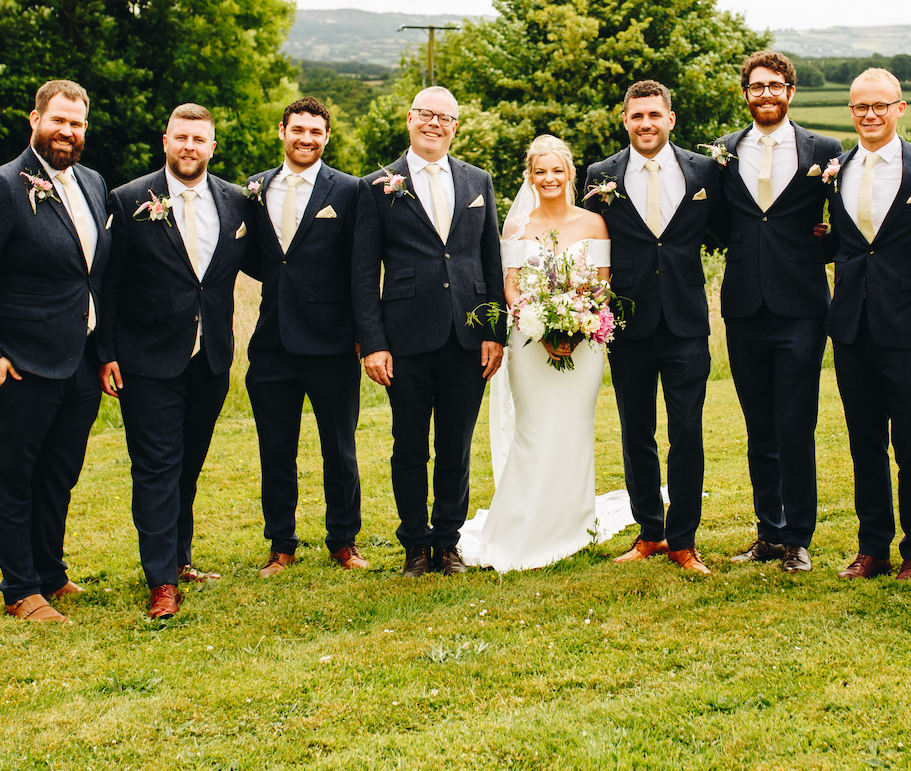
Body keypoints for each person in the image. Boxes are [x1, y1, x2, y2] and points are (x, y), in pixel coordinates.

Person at [0, 79, 111, 623]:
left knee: (59, 475)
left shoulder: (91, 182)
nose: (68, 131)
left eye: (78, 123)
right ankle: (20, 588)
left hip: (78, 361)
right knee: (14, 477)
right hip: (18, 364)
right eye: (59, 120)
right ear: (34, 120)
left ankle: (51, 572)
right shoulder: (1, 187)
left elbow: (92, 274)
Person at [97, 104, 255, 620]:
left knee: (188, 465)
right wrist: (106, 353)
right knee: (156, 469)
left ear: (213, 147)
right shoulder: (128, 200)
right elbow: (110, 282)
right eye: (181, 137)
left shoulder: (236, 202)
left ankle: (180, 558)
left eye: (200, 139)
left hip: (209, 359)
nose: (190, 147)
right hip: (147, 360)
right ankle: (161, 581)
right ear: (165, 141)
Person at [352, 86, 505, 577]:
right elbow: (362, 272)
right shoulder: (376, 186)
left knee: (456, 446)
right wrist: (373, 342)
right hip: (405, 337)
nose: (434, 123)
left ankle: (448, 542)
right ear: (410, 118)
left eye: (445, 117)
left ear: (455, 126)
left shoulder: (478, 181)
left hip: (468, 336)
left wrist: (494, 330)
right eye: (426, 114)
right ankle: (415, 545)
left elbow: (491, 260)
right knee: (410, 445)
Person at [458, 134, 628, 570]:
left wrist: (577, 321)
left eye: (557, 170)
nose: (549, 178)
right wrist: (538, 323)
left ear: (571, 173)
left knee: (574, 427)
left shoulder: (594, 224)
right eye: (540, 171)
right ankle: (525, 523)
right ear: (530, 177)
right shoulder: (516, 226)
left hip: (585, 341)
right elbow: (510, 285)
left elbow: (601, 286)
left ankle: (573, 523)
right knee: (534, 428)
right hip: (529, 340)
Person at [580, 81, 728, 575]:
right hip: (627, 322)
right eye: (636, 115)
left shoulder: (706, 170)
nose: (645, 123)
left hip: (686, 321)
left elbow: (730, 227)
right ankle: (650, 533)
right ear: (625, 120)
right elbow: (592, 245)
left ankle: (684, 540)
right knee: (635, 431)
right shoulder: (600, 174)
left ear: (670, 119)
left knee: (687, 431)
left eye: (654, 115)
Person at [825, 69, 911, 582]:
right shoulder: (837, 169)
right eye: (860, 107)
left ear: (900, 108)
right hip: (852, 325)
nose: (870, 115)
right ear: (851, 112)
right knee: (864, 443)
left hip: (909, 326)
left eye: (880, 105)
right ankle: (872, 548)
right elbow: (839, 240)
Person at [713, 51, 843, 573]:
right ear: (745, 94)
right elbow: (718, 221)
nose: (765, 94)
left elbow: (853, 221)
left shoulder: (826, 149)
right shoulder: (723, 152)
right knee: (758, 426)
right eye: (756, 86)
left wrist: (825, 244)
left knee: (796, 424)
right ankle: (768, 532)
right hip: (744, 305)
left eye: (775, 85)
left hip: (802, 306)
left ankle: (798, 538)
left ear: (791, 91)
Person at [243, 97, 369, 576]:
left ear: (326, 137)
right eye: (298, 129)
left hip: (334, 343)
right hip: (272, 342)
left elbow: (361, 266)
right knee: (276, 450)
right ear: (282, 131)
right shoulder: (254, 188)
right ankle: (281, 543)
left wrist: (363, 332)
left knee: (340, 448)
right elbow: (258, 259)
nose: (306, 138)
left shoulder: (351, 191)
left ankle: (344, 540)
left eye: (316, 131)